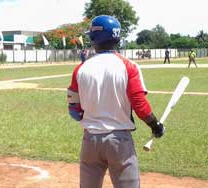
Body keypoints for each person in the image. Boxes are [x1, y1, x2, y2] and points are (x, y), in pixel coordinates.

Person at [67, 15, 164, 188]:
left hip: (90, 141)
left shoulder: (80, 69)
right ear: (117, 37)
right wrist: (155, 125)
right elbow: (139, 104)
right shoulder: (128, 66)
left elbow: (74, 110)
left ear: (93, 37)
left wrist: (90, 119)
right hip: (119, 142)